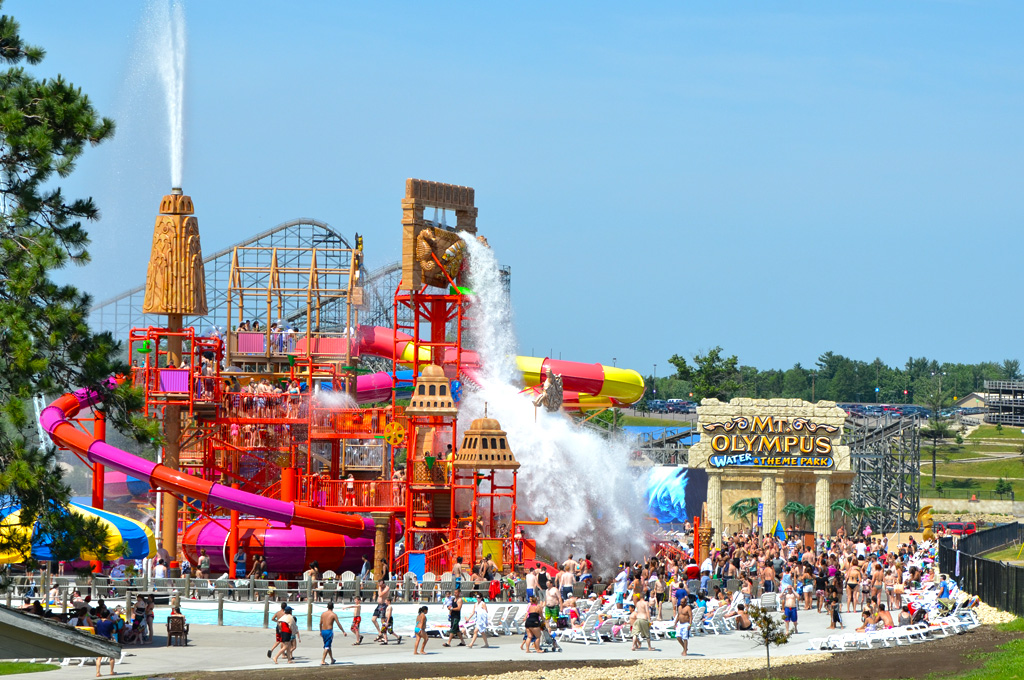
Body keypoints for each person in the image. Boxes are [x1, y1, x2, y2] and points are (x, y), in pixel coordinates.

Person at [319, 601, 346, 665]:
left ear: (327, 607)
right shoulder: (333, 614)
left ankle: (332, 659)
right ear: (333, 607)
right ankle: (323, 660)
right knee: (327, 646)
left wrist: (320, 631)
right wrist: (343, 631)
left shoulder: (323, 614)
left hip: (323, 631)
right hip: (329, 631)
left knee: (328, 645)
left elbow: (320, 624)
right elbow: (338, 624)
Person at [93, 609, 117, 677]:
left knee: (99, 657)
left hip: (100, 640)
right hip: (107, 640)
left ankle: (98, 672)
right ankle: (111, 671)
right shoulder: (109, 623)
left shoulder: (98, 622)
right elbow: (113, 631)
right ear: (108, 615)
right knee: (111, 656)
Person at [674, 592, 692, 657]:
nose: (681, 603)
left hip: (686, 624)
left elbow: (691, 616)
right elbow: (678, 615)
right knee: (678, 637)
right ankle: (685, 648)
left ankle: (685, 651)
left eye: (682, 602)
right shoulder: (679, 607)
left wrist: (690, 625)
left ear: (685, 602)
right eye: (680, 602)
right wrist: (675, 623)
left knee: (685, 638)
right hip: (680, 624)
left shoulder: (688, 608)